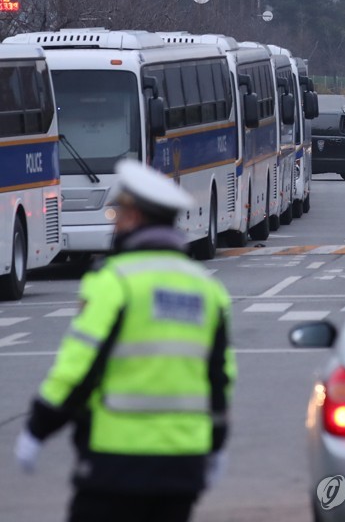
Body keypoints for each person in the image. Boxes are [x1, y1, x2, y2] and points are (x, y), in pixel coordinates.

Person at [14, 159, 236, 522]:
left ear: (134, 217)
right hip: (184, 465)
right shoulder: (206, 289)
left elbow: (78, 367)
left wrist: (39, 426)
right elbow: (220, 378)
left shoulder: (114, 282)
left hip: (116, 463)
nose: (115, 220)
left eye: (118, 212)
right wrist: (218, 441)